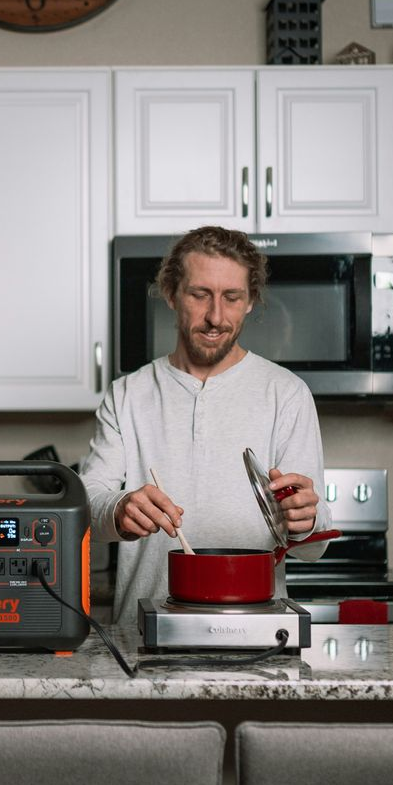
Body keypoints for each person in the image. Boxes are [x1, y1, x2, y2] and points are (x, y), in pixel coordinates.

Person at [81, 225, 329, 614]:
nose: (216, 317)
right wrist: (119, 507)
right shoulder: (127, 394)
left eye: (232, 297)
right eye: (200, 295)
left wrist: (306, 519)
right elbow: (87, 506)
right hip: (146, 633)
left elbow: (315, 547)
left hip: (255, 633)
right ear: (171, 293)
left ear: (250, 301)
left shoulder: (287, 394)